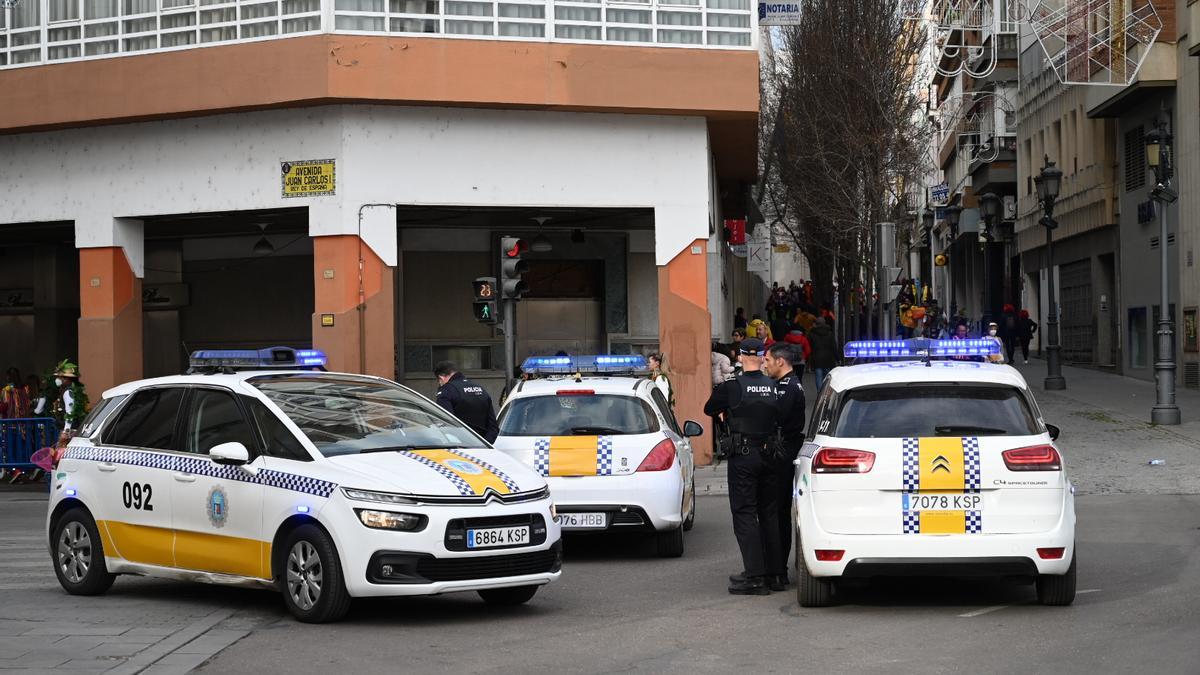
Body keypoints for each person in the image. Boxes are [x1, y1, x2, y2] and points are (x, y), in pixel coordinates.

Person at [704, 337, 784, 595]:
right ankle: (775, 574)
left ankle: (755, 576)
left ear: (740, 356)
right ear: (762, 356)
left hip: (744, 455)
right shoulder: (774, 385)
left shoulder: (733, 386)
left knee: (745, 513)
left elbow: (709, 408)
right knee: (769, 514)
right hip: (770, 454)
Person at [763, 343, 806, 582]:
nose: (765, 364)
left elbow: (776, 418)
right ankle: (775, 566)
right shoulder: (781, 385)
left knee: (778, 511)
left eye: (768, 360)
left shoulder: (789, 388)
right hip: (782, 448)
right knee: (775, 511)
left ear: (781, 361)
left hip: (783, 450)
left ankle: (778, 570)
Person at [434, 361, 499, 443]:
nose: (440, 384)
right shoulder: (480, 389)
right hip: (484, 446)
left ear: (441, 378)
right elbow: (493, 426)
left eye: (439, 382)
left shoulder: (446, 391)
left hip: (460, 447)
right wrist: (485, 443)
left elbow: (446, 423)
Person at [807, 316, 838, 392]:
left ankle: (820, 394)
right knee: (827, 377)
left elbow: (809, 346)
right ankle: (826, 393)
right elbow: (833, 346)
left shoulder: (812, 334)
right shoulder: (830, 333)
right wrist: (838, 358)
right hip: (828, 358)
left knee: (818, 377)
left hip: (817, 357)